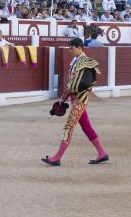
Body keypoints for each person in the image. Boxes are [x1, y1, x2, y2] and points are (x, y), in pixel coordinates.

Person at [42, 38, 108, 166]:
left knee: (68, 127)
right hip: (75, 99)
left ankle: (57, 157)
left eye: (72, 48)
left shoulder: (87, 62)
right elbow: (72, 83)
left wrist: (72, 92)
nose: (70, 51)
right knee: (86, 127)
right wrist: (63, 99)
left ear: (79, 47)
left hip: (80, 100)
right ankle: (102, 153)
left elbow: (86, 83)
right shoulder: (76, 62)